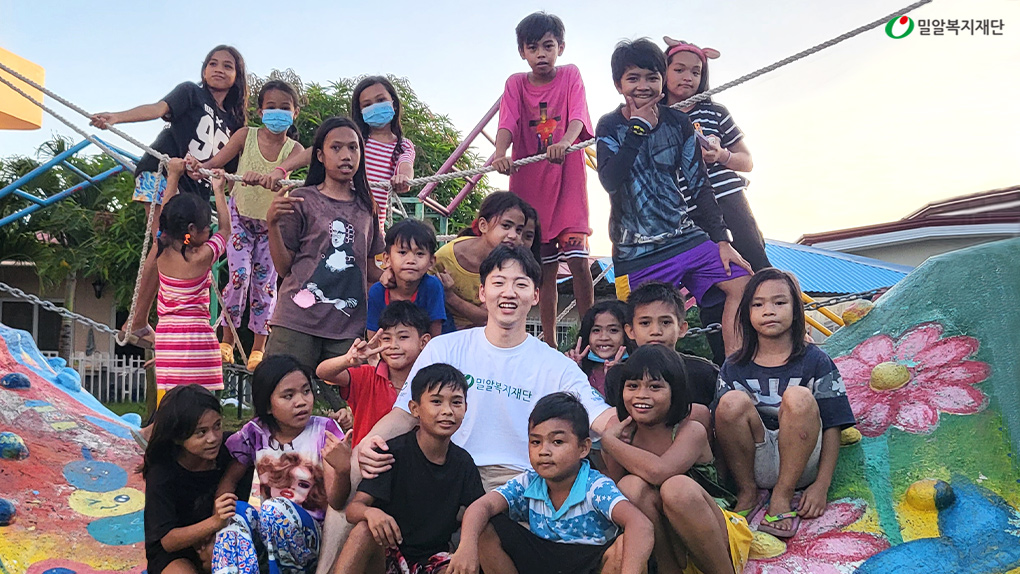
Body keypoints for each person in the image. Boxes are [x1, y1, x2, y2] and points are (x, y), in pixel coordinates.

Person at [359, 246, 616, 494]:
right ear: (483, 292)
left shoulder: (557, 366)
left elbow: (600, 418)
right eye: (499, 283)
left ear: (535, 295)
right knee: (357, 465)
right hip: (446, 473)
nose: (509, 293)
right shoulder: (444, 349)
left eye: (521, 284)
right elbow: (405, 412)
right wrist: (371, 441)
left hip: (522, 484)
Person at [595, 38, 751, 356]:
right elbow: (610, 180)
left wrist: (721, 239)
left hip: (686, 238)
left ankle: (735, 372)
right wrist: (637, 129)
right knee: (643, 334)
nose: (643, 85)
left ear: (662, 80)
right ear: (618, 84)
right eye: (633, 78)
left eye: (652, 77)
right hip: (636, 251)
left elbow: (699, 185)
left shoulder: (678, 123)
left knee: (745, 284)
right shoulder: (609, 125)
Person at [90, 45, 248, 349]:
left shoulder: (235, 124)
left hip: (195, 195)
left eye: (227, 66)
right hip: (161, 171)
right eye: (212, 63)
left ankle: (147, 321)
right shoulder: (190, 93)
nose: (218, 69)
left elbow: (227, 173)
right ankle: (137, 322)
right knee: (163, 244)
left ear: (237, 76)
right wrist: (116, 118)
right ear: (203, 70)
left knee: (180, 250)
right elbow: (157, 108)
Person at [713, 269, 855, 538]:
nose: (769, 311)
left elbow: (834, 425)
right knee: (730, 402)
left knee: (797, 396)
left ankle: (781, 496)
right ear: (747, 312)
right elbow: (721, 427)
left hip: (801, 462)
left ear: (796, 309)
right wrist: (722, 485)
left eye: (780, 302)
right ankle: (748, 492)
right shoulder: (733, 367)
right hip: (754, 461)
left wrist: (822, 486)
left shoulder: (816, 360)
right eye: (758, 304)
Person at [448, 392, 653, 574]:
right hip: (542, 561)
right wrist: (466, 547)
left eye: (557, 442)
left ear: (583, 448)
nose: (544, 451)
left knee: (625, 546)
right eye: (536, 442)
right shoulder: (529, 482)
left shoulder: (596, 487)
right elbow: (482, 506)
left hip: (589, 562)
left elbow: (641, 525)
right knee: (485, 524)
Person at [662, 37, 771, 366]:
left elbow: (747, 161)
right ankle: (730, 367)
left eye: (696, 72)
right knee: (712, 288)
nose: (687, 77)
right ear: (662, 72)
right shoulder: (656, 118)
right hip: (690, 215)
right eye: (679, 69)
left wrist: (720, 154)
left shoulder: (714, 112)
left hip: (730, 202)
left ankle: (783, 352)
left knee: (758, 269)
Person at [187, 80, 306, 371]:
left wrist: (277, 173)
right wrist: (199, 165)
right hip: (240, 216)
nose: (277, 113)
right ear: (260, 110)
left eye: (284, 108)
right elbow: (217, 163)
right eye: (271, 107)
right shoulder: (245, 136)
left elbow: (299, 161)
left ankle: (257, 348)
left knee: (265, 286)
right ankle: (226, 339)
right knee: (239, 275)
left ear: (295, 114)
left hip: (271, 225)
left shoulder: (294, 148)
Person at [600, 346, 751, 574]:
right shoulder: (623, 434)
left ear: (676, 392)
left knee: (675, 488)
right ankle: (668, 570)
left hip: (716, 537)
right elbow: (616, 489)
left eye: (655, 387)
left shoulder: (690, 431)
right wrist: (612, 445)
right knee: (628, 486)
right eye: (633, 386)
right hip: (670, 542)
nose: (641, 395)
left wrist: (610, 443)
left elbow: (660, 472)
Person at [493, 12, 594, 349]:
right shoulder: (515, 83)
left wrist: (565, 141)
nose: (541, 55)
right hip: (530, 184)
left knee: (579, 261)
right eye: (532, 48)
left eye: (548, 46)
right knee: (544, 269)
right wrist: (500, 152)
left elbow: (578, 114)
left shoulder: (570, 75)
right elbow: (507, 121)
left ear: (560, 48)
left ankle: (591, 334)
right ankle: (549, 343)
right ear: (522, 52)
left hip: (567, 180)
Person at [335, 364, 484, 574]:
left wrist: (467, 547)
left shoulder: (463, 463)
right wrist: (371, 513)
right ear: (415, 408)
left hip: (431, 559)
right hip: (387, 552)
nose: (447, 411)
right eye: (436, 402)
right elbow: (354, 509)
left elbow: (478, 510)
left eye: (456, 402)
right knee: (363, 531)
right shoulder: (393, 452)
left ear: (466, 408)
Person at [264, 116, 385, 373]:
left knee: (349, 405)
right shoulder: (301, 199)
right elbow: (285, 268)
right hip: (296, 321)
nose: (346, 155)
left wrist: (403, 274)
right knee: (280, 392)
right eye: (336, 147)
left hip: (346, 326)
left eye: (353, 148)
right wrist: (272, 224)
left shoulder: (367, 206)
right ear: (320, 155)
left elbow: (371, 268)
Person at [214, 355, 352, 574]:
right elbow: (230, 480)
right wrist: (218, 515)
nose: (301, 401)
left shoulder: (324, 431)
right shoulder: (255, 433)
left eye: (306, 391)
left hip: (313, 538)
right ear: (268, 406)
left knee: (274, 509)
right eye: (288, 395)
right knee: (235, 512)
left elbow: (336, 500)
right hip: (270, 532)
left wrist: (343, 470)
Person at [265, 77, 416, 228]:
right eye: (367, 104)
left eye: (381, 99)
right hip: (332, 218)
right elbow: (312, 153)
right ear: (361, 111)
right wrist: (281, 170)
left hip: (368, 225)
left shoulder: (401, 145)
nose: (375, 107)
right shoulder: (353, 139)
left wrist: (403, 178)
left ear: (394, 103)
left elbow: (406, 165)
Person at [143, 385, 247, 574]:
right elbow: (167, 541)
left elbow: (260, 438)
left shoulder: (232, 450)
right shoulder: (162, 474)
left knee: (227, 557)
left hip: (222, 536)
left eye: (217, 425)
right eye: (201, 432)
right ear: (177, 437)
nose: (213, 438)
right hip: (177, 549)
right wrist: (214, 523)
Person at [153, 159, 230, 404]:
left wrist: (173, 176)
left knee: (173, 402)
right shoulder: (200, 257)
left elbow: (164, 217)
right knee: (200, 403)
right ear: (192, 230)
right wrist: (219, 190)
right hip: (195, 337)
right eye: (207, 227)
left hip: (167, 336)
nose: (211, 231)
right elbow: (226, 231)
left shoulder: (161, 249)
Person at [316, 301, 432, 445]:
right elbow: (323, 373)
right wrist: (347, 360)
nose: (393, 346)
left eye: (403, 337)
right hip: (364, 463)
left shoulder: (432, 382)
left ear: (424, 342)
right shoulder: (367, 376)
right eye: (386, 339)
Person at [432, 192, 533, 332]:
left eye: (518, 230)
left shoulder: (509, 264)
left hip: (483, 331)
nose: (513, 235)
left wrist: (450, 296)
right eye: (506, 226)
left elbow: (486, 315)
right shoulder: (447, 258)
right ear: (483, 225)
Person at [619, 282, 719, 408]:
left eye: (666, 322)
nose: (656, 331)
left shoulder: (705, 373)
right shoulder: (619, 375)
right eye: (645, 323)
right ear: (630, 331)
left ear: (682, 328)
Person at [368, 219, 446, 338]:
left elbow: (435, 339)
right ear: (387, 259)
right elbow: (373, 340)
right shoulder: (378, 292)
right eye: (402, 252)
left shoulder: (432, 287)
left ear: (431, 261)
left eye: (419, 254)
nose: (411, 260)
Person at [564, 300, 633, 397]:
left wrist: (616, 377)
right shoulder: (580, 368)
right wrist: (571, 371)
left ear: (628, 333)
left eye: (613, 330)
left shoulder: (637, 369)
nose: (604, 337)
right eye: (596, 330)